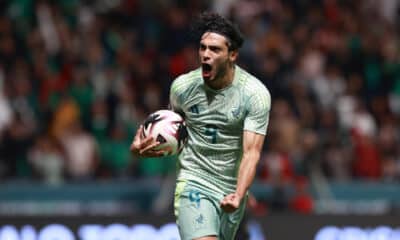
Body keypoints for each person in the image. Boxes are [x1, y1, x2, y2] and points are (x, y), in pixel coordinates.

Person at [130, 12, 271, 240]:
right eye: (203, 47)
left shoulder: (254, 94)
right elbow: (171, 132)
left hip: (232, 192)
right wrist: (141, 147)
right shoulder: (183, 88)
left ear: (232, 54)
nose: (205, 54)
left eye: (215, 49)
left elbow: (251, 152)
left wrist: (240, 192)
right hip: (194, 183)